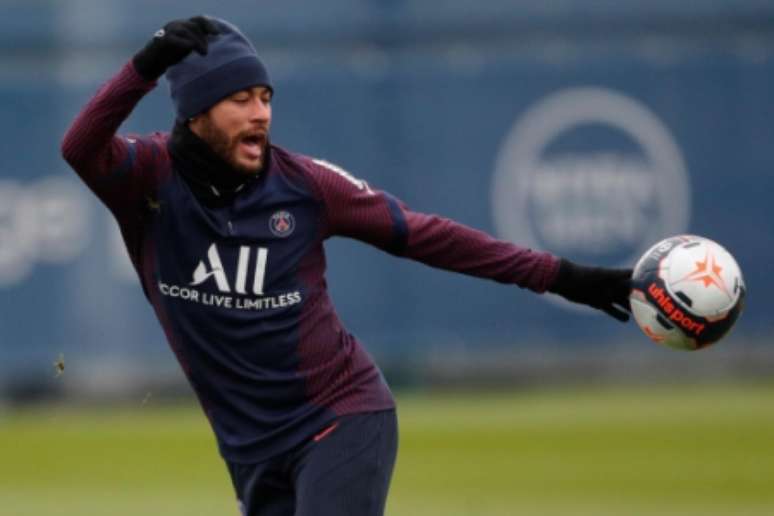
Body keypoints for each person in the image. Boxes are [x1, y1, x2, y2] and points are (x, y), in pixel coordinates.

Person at [61, 16, 632, 516]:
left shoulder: (306, 186)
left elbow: (428, 236)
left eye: (266, 97)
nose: (261, 114)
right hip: (249, 447)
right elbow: (79, 147)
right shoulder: (146, 178)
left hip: (338, 417)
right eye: (241, 99)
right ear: (195, 113)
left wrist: (563, 276)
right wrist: (144, 65)